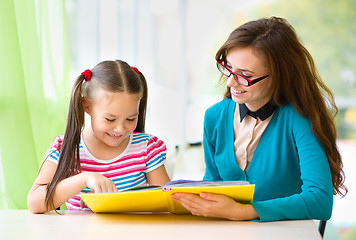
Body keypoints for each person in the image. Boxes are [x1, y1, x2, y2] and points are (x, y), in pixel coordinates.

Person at [171, 16, 347, 221]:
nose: (230, 82)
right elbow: (213, 187)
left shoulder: (299, 119)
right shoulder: (215, 117)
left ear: (279, 75)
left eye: (245, 75)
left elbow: (320, 202)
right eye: (228, 68)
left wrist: (243, 211)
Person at [28, 60, 170, 213]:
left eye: (130, 119)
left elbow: (170, 201)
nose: (120, 128)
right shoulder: (65, 148)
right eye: (110, 119)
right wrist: (83, 179)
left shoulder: (146, 148)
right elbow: (34, 204)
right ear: (86, 106)